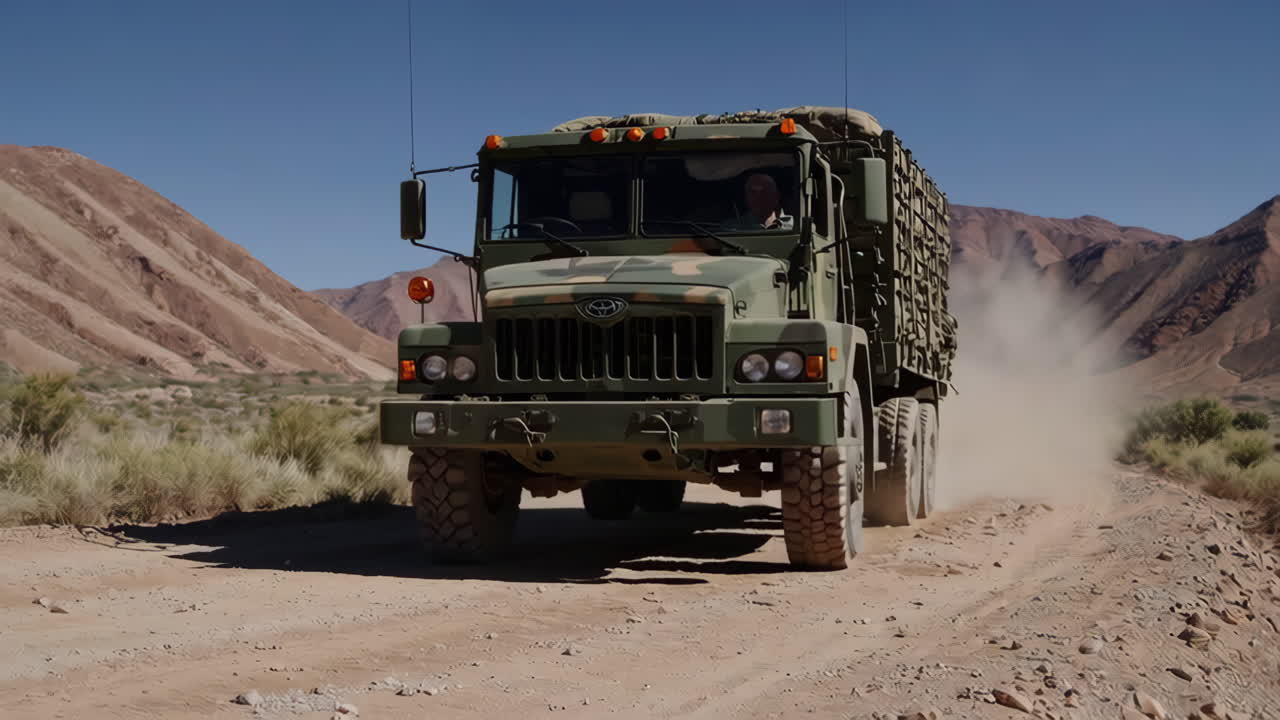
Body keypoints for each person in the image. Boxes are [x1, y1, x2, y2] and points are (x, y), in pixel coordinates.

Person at [722, 172, 794, 231]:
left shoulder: (795, 225)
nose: (758, 197)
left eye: (765, 191)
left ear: (776, 196)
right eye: (753, 192)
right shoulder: (732, 228)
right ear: (746, 197)